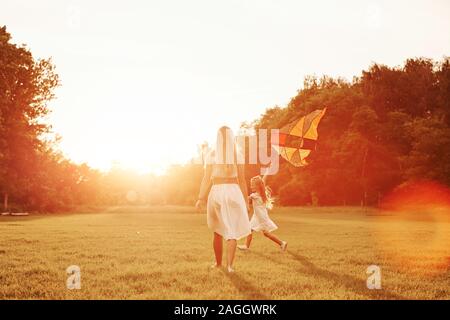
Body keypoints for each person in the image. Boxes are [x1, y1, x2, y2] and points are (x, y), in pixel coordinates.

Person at [196, 126, 251, 273]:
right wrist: (246, 200)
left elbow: (206, 179)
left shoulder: (211, 155)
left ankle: (218, 263)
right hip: (233, 191)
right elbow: (242, 180)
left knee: (217, 231)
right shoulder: (237, 154)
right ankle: (230, 267)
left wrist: (200, 198)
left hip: (216, 191)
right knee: (231, 230)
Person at [238, 175, 287, 251]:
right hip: (258, 216)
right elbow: (262, 181)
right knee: (251, 230)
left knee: (266, 233)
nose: (251, 186)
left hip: (260, 217)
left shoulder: (255, 195)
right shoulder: (262, 193)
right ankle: (246, 246)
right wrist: (266, 173)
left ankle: (282, 243)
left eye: (252, 185)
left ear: (257, 186)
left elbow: (247, 198)